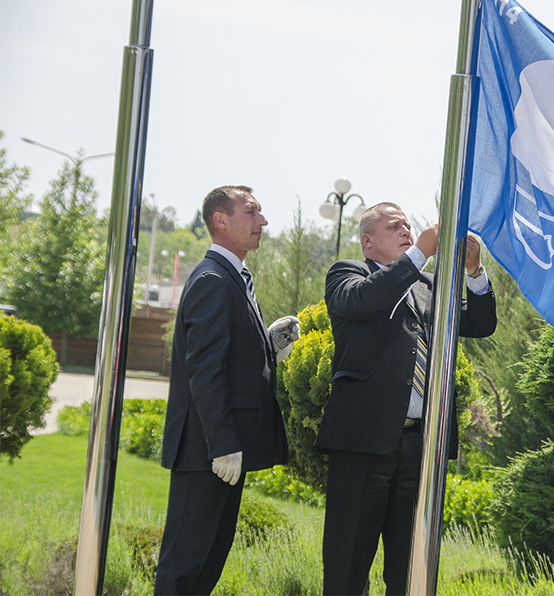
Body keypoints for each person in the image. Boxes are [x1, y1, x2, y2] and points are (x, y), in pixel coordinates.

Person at [315, 202, 497, 595]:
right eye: (395, 227)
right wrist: (420, 254)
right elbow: (366, 301)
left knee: (409, 569)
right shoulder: (348, 274)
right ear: (368, 242)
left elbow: (481, 324)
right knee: (348, 565)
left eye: (409, 226)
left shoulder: (430, 286)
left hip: (420, 447)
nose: (406, 232)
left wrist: (473, 272)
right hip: (363, 444)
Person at [154, 185, 299, 595]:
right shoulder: (215, 279)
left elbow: (226, 356)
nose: (263, 221)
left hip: (221, 452)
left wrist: (268, 347)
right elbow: (204, 370)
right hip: (208, 452)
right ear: (221, 220)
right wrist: (221, 444)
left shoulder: (231, 277)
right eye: (252, 212)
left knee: (205, 568)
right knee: (184, 568)